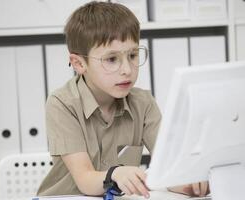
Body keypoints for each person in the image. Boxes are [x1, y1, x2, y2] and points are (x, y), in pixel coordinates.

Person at [37, 1, 208, 198]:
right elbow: (85, 180)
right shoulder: (62, 104)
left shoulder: (143, 103)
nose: (127, 69)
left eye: (133, 55)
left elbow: (169, 167)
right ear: (78, 63)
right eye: (111, 59)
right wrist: (116, 173)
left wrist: (188, 181)